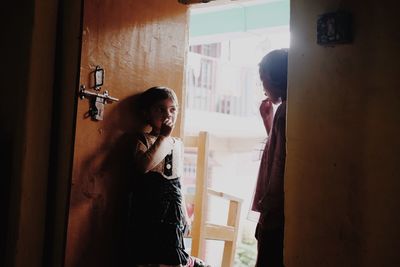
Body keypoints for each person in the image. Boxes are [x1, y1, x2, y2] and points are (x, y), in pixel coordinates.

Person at [126, 86, 210, 267]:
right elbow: (143, 166)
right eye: (160, 109)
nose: (168, 115)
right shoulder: (142, 139)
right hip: (148, 204)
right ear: (146, 113)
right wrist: (163, 137)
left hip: (172, 205)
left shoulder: (177, 143)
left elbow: (177, 181)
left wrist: (185, 216)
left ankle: (188, 262)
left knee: (171, 249)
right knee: (148, 253)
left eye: (173, 110)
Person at [252, 49, 288, 267]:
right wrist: (268, 121)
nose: (263, 86)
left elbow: (279, 163)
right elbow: (279, 148)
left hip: (276, 210)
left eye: (263, 79)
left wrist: (269, 206)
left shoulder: (285, 110)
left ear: (275, 78)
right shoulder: (285, 111)